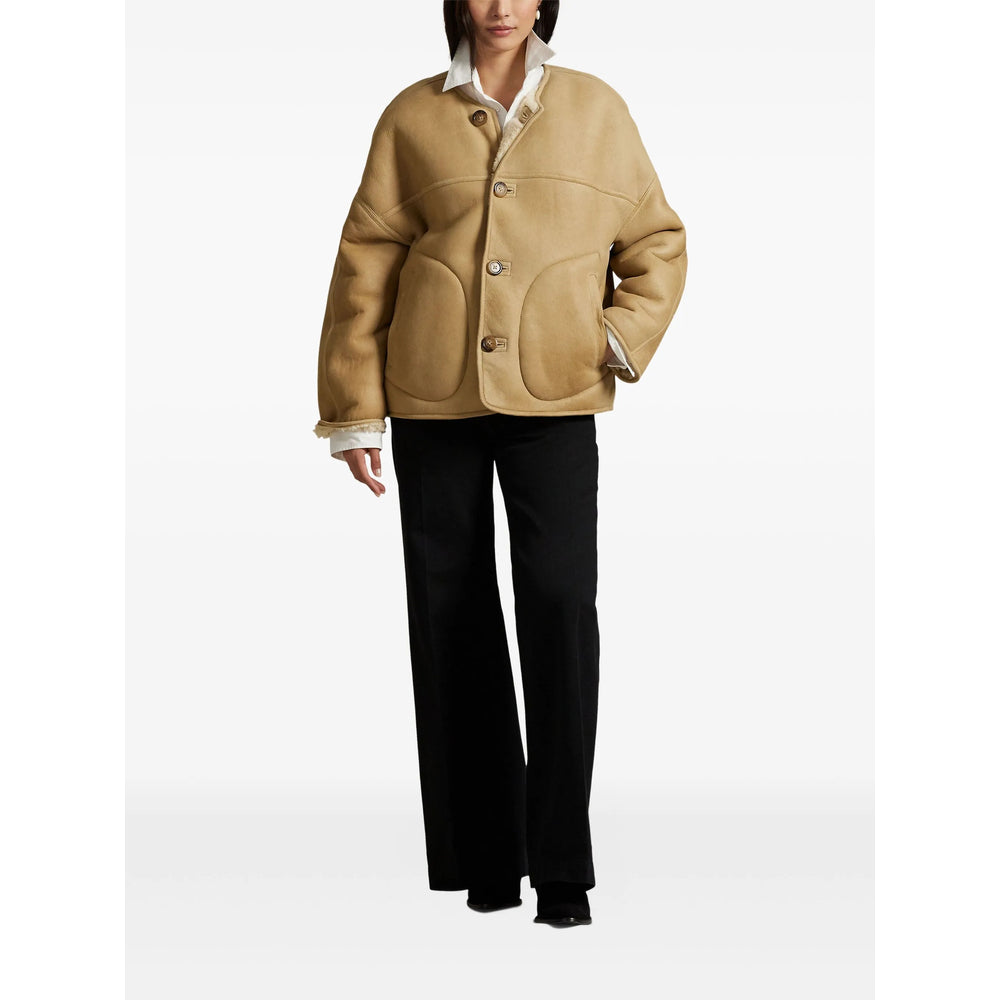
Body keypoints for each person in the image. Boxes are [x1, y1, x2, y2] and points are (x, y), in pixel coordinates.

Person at [312, 0, 687, 927]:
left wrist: (612, 338)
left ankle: (561, 866)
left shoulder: (596, 108)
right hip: (430, 396)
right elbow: (364, 263)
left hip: (554, 395)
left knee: (558, 607)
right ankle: (487, 857)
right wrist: (354, 412)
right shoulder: (411, 115)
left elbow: (656, 243)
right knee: (452, 616)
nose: (502, 7)